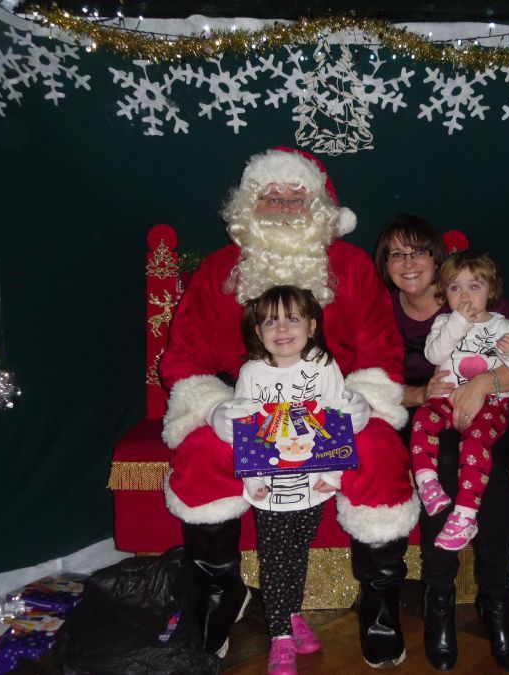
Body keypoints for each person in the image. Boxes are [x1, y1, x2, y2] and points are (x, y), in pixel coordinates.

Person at [159, 148, 419, 668]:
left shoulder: (351, 268)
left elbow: (382, 346)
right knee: (203, 452)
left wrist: (364, 402)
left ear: (319, 207)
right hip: (247, 406)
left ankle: (379, 600)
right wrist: (212, 409)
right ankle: (220, 591)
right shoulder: (219, 271)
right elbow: (184, 354)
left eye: (294, 198)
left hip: (335, 404)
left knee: (379, 452)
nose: (282, 207)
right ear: (247, 206)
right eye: (269, 197)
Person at [374, 214, 509, 673]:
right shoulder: (384, 309)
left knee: (486, 460)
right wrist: (418, 395)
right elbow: (364, 381)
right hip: (423, 409)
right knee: (445, 455)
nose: (409, 262)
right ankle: (439, 599)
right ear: (385, 264)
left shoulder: (478, 294)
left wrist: (486, 383)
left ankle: (495, 597)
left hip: (491, 406)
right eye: (396, 253)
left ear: (437, 258)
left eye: (418, 251)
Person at [210, 285, 348, 674]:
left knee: (298, 551)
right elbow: (244, 427)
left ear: (312, 326)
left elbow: (338, 415)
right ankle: (281, 635)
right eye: (270, 321)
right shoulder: (252, 372)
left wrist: (332, 472)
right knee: (274, 558)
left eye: (293, 319)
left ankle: (292, 613)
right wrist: (253, 481)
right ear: (257, 331)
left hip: (313, 482)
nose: (282, 329)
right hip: (269, 486)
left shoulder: (324, 365)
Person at [412, 251, 509, 552]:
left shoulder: (503, 326)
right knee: (422, 419)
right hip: (448, 397)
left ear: (490, 290)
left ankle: (466, 516)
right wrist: (458, 323)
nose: (465, 295)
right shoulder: (445, 322)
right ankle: (427, 482)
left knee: (474, 443)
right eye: (455, 288)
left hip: (492, 403)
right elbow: (434, 355)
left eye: (474, 286)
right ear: (445, 293)